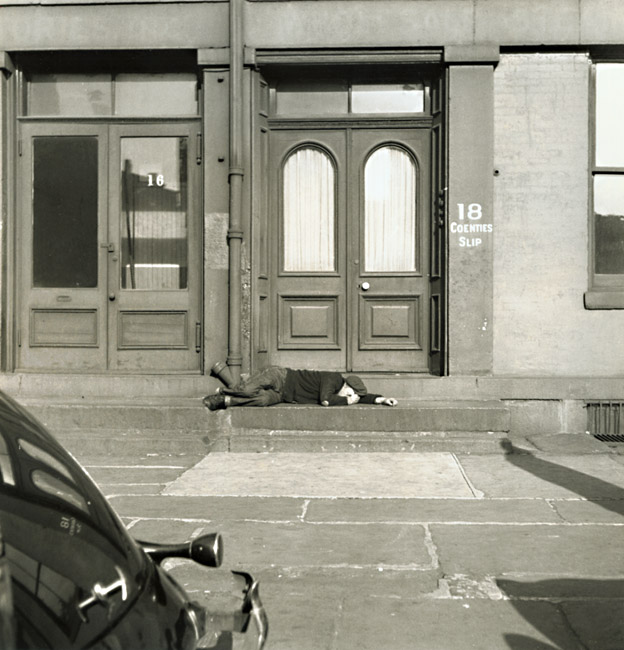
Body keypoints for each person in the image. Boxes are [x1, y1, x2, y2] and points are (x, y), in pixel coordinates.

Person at [203, 365, 398, 410]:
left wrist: (380, 399)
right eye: (352, 393)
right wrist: (346, 401)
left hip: (284, 396)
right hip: (281, 377)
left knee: (262, 401)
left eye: (354, 396)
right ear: (347, 386)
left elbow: (359, 397)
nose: (352, 397)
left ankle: (225, 399)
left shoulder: (345, 391)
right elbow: (326, 400)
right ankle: (227, 391)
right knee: (247, 391)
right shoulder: (334, 379)